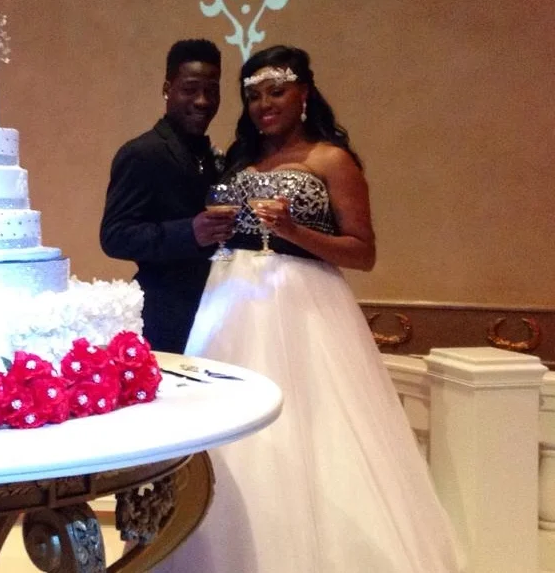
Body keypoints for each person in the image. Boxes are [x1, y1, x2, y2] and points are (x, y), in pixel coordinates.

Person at [152, 45, 465, 572]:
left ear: (304, 93)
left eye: (276, 91)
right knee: (229, 435)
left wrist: (294, 231)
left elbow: (363, 252)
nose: (263, 105)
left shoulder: (331, 160)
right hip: (229, 302)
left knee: (310, 428)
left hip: (302, 310)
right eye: (252, 95)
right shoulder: (240, 159)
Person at [100, 39, 236, 354]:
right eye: (190, 89)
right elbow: (114, 236)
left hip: (218, 310)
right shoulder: (142, 153)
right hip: (165, 314)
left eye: (212, 90)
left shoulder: (214, 157)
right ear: (167, 89)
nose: (202, 101)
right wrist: (190, 232)